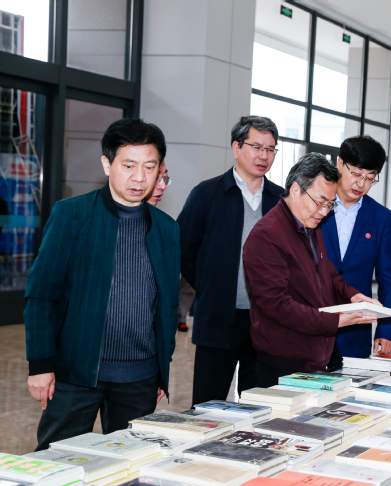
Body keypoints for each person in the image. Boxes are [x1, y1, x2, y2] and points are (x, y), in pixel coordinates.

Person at [25, 118, 180, 451]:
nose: (139, 177)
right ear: (107, 164)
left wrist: (160, 370)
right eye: (129, 165)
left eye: (150, 167)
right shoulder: (72, 214)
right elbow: (41, 294)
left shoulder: (167, 228)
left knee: (132, 466)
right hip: (74, 373)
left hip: (140, 377)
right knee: (57, 461)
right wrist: (40, 365)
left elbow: (166, 304)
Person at [242, 153, 382, 387]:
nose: (324, 212)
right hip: (284, 360)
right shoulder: (267, 235)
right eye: (320, 202)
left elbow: (328, 274)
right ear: (295, 190)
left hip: (317, 354)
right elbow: (277, 305)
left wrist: (352, 296)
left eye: (330, 204)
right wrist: (334, 321)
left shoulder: (310, 226)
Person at [177, 116, 284, 405]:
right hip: (218, 318)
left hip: (266, 320)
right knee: (207, 407)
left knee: (260, 407)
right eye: (256, 147)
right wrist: (209, 285)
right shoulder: (207, 193)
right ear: (236, 148)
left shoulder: (280, 200)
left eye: (270, 149)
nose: (264, 155)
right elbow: (183, 247)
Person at [321, 136, 391, 366]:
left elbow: (389, 278)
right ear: (340, 164)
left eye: (370, 178)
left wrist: (386, 328)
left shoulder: (381, 218)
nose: (361, 184)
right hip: (313, 322)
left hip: (355, 330)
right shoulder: (316, 205)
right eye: (356, 174)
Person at [145, 163, 195, 333]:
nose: (163, 186)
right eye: (157, 179)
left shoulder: (167, 228)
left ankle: (180, 319)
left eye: (165, 179)